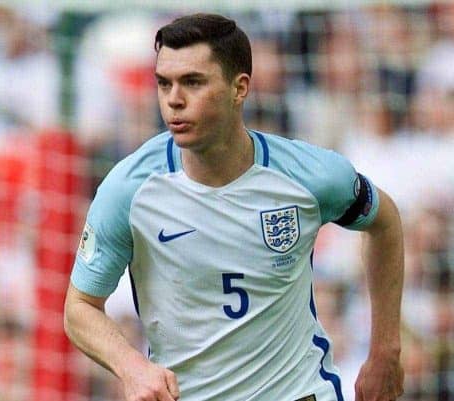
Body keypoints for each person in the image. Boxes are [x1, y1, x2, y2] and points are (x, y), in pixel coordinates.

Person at [64, 13, 404, 401]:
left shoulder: (310, 176)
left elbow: (386, 222)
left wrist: (385, 351)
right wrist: (132, 367)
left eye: (192, 82)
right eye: (164, 83)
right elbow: (80, 307)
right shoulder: (130, 189)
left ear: (239, 88)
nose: (174, 99)